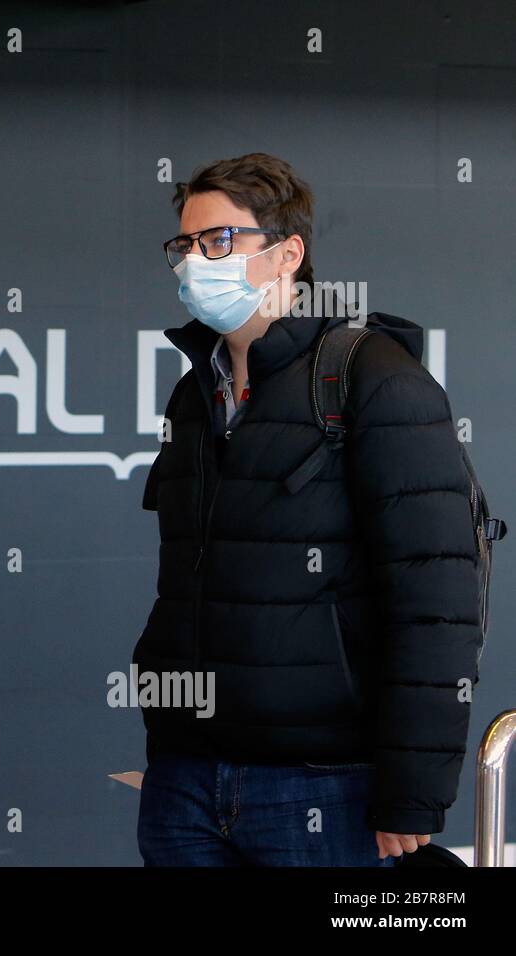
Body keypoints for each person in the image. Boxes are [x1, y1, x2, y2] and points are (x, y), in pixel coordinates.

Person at [133, 152, 482, 866]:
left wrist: (413, 791)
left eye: (221, 240)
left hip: (328, 790)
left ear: (288, 253)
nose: (198, 261)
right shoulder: (193, 396)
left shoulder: (375, 380)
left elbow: (436, 602)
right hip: (184, 780)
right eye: (187, 245)